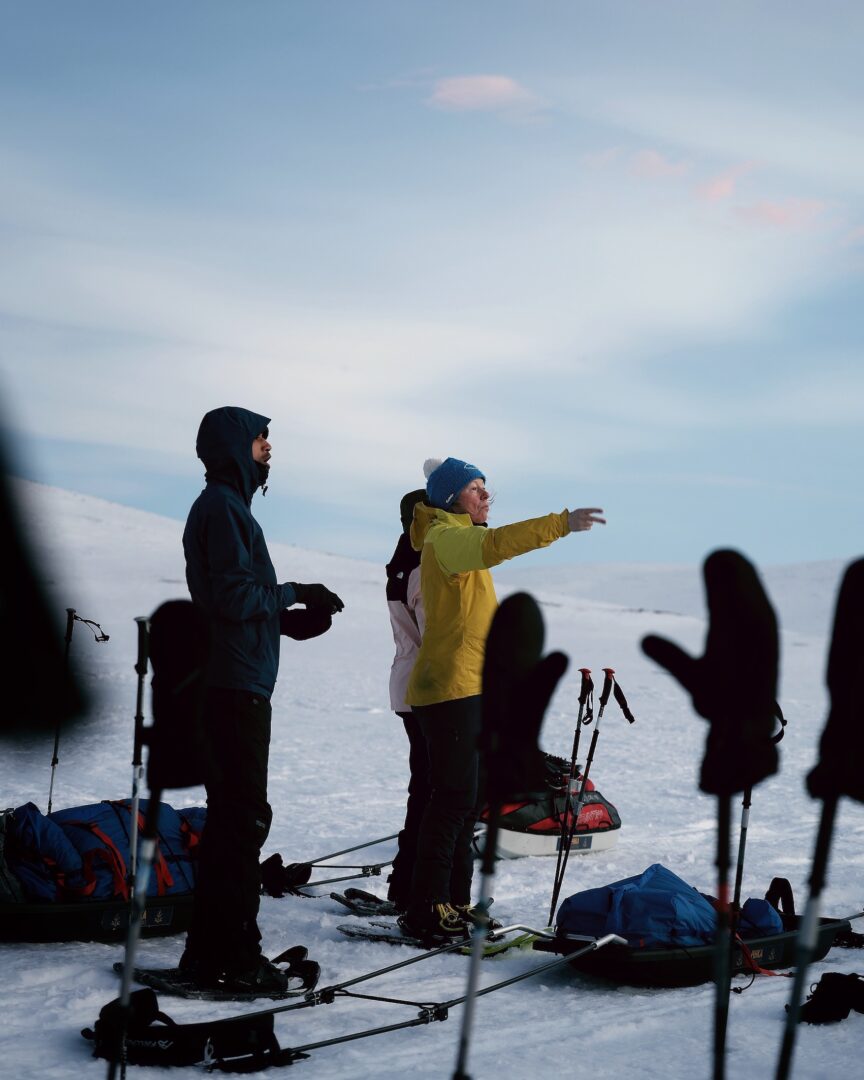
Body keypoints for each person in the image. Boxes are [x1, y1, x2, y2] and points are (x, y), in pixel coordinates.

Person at [399, 456, 605, 943]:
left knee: (469, 801)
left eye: (487, 489)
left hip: (470, 687)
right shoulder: (448, 539)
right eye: (476, 489)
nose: (486, 497)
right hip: (448, 688)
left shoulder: (455, 538)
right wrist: (560, 524)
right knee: (451, 800)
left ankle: (456, 904)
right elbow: (497, 544)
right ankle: (425, 909)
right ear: (451, 498)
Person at [181, 405, 344, 992]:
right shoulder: (224, 509)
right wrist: (295, 591)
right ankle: (230, 958)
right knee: (242, 820)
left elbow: (242, 602)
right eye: (259, 438)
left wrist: (287, 622)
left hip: (237, 678)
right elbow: (232, 595)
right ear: (233, 447)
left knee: (233, 820)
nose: (268, 446)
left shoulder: (229, 508)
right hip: (234, 687)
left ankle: (210, 955)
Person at [384, 488, 429, 912]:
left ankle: (404, 883)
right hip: (428, 690)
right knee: (434, 794)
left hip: (407, 685)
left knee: (424, 790)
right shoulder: (419, 566)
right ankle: (418, 890)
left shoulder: (400, 561)